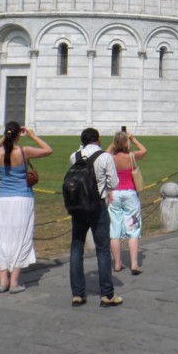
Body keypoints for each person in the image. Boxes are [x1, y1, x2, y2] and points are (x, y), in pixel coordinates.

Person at [0, 121, 52, 293]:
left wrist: (4, 137)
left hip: (3, 199)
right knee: (21, 237)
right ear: (18, 135)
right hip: (22, 198)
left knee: (3, 237)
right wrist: (33, 136)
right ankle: (14, 282)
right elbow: (48, 150)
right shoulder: (24, 151)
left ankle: (3, 281)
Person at [68, 127, 120, 307]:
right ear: (97, 139)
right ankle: (107, 294)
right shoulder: (105, 157)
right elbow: (114, 183)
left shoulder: (74, 156)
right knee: (103, 250)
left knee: (76, 248)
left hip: (78, 206)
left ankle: (77, 294)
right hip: (97, 205)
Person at [106, 131, 147, 274]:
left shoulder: (110, 158)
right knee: (133, 228)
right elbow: (144, 150)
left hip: (115, 193)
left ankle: (117, 263)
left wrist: (114, 144)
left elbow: (104, 154)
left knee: (115, 229)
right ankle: (134, 263)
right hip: (130, 193)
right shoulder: (131, 156)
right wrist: (133, 139)